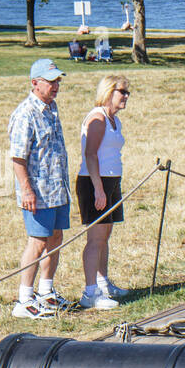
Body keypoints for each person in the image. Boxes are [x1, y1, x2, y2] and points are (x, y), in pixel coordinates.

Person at [8, 59, 73, 318]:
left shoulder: (51, 108)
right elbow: (18, 158)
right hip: (37, 192)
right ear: (35, 83)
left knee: (56, 238)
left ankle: (46, 291)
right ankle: (24, 298)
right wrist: (27, 191)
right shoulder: (25, 114)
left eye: (57, 81)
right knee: (37, 242)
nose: (56, 86)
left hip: (57, 189)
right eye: (50, 81)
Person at [75, 74, 132, 309]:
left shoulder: (113, 120)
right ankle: (90, 292)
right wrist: (98, 189)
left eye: (128, 92)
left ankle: (103, 283)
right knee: (95, 239)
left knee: (105, 237)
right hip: (93, 182)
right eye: (122, 92)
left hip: (110, 181)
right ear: (109, 92)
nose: (127, 96)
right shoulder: (97, 119)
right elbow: (90, 155)